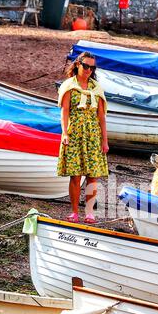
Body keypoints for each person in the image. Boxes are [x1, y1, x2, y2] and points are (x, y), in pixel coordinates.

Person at [57, 51, 109, 224]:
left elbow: (101, 116)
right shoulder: (69, 86)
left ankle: (89, 212)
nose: (88, 70)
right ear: (78, 64)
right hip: (75, 133)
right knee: (76, 175)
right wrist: (64, 133)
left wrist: (104, 140)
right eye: (86, 66)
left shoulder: (96, 88)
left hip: (93, 134)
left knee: (93, 175)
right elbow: (64, 112)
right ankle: (74, 212)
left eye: (92, 67)